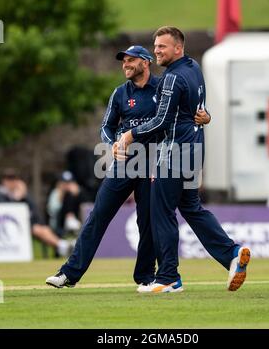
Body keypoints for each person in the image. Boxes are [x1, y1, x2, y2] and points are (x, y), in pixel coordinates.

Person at [45, 45, 210, 289]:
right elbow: (106, 127)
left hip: (155, 163)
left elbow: (187, 113)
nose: (125, 65)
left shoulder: (163, 87)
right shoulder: (120, 93)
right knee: (98, 215)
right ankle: (69, 273)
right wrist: (112, 145)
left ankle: (145, 277)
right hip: (125, 164)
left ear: (145, 63)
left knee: (147, 222)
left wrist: (206, 116)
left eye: (131, 60)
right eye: (124, 61)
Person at [119, 27, 250, 293]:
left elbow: (162, 121)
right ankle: (232, 254)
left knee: (161, 211)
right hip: (194, 151)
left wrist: (130, 134)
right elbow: (197, 110)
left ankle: (168, 277)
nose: (157, 51)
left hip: (174, 153)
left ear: (178, 48)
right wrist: (207, 117)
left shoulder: (171, 78)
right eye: (155, 46)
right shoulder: (194, 68)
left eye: (162, 47)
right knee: (191, 208)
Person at [0, 169, 74, 257]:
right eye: (9, 179)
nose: (12, 182)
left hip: (28, 223)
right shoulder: (0, 194)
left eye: (14, 179)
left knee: (43, 228)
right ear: (4, 181)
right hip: (9, 226)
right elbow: (7, 211)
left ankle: (63, 246)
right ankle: (63, 246)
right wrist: (16, 198)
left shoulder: (22, 194)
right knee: (37, 228)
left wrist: (24, 195)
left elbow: (33, 209)